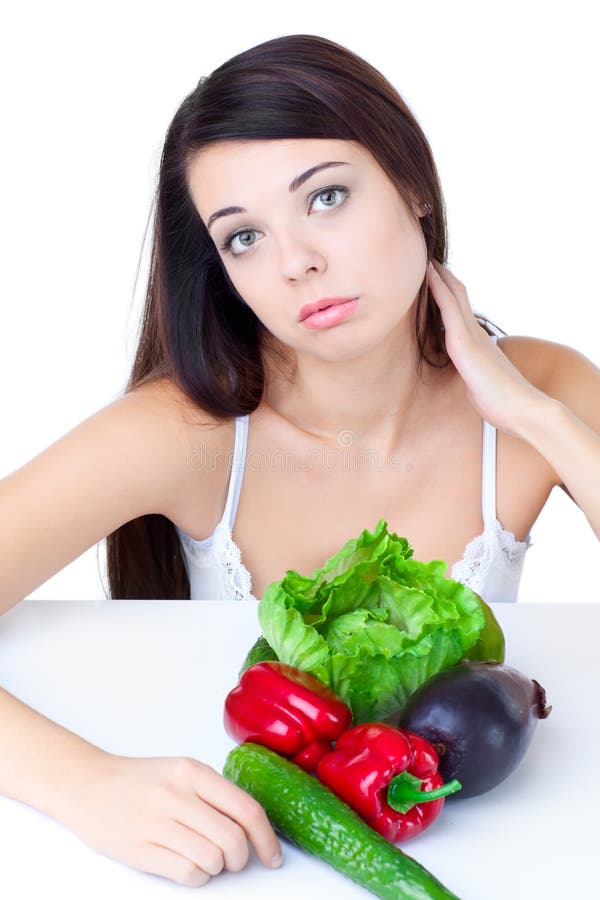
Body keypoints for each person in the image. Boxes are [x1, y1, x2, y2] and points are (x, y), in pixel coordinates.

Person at [1, 32, 599, 890]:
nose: (296, 263)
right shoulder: (190, 432)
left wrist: (535, 414)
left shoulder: (541, 389)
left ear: (415, 188)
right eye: (243, 238)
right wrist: (86, 788)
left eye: (326, 197)